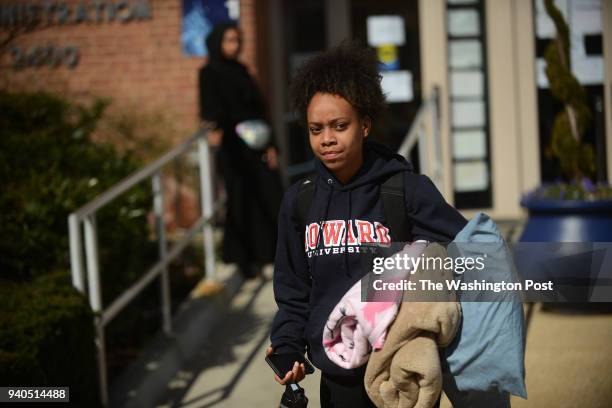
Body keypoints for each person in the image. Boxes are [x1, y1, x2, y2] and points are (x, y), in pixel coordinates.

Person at [267, 43, 467, 407]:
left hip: (404, 375)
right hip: (338, 378)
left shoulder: (405, 190)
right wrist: (287, 345)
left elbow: (466, 254)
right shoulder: (300, 201)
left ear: (365, 125)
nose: (327, 139)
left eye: (339, 126)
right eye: (316, 129)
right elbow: (293, 291)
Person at [198, 22, 283, 279]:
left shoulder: (243, 71)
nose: (234, 46)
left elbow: (260, 109)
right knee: (241, 201)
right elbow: (211, 111)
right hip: (234, 150)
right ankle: (245, 261)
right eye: (229, 40)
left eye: (237, 40)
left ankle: (272, 257)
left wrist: (272, 145)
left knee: (272, 198)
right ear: (217, 43)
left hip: (257, 146)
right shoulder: (209, 73)